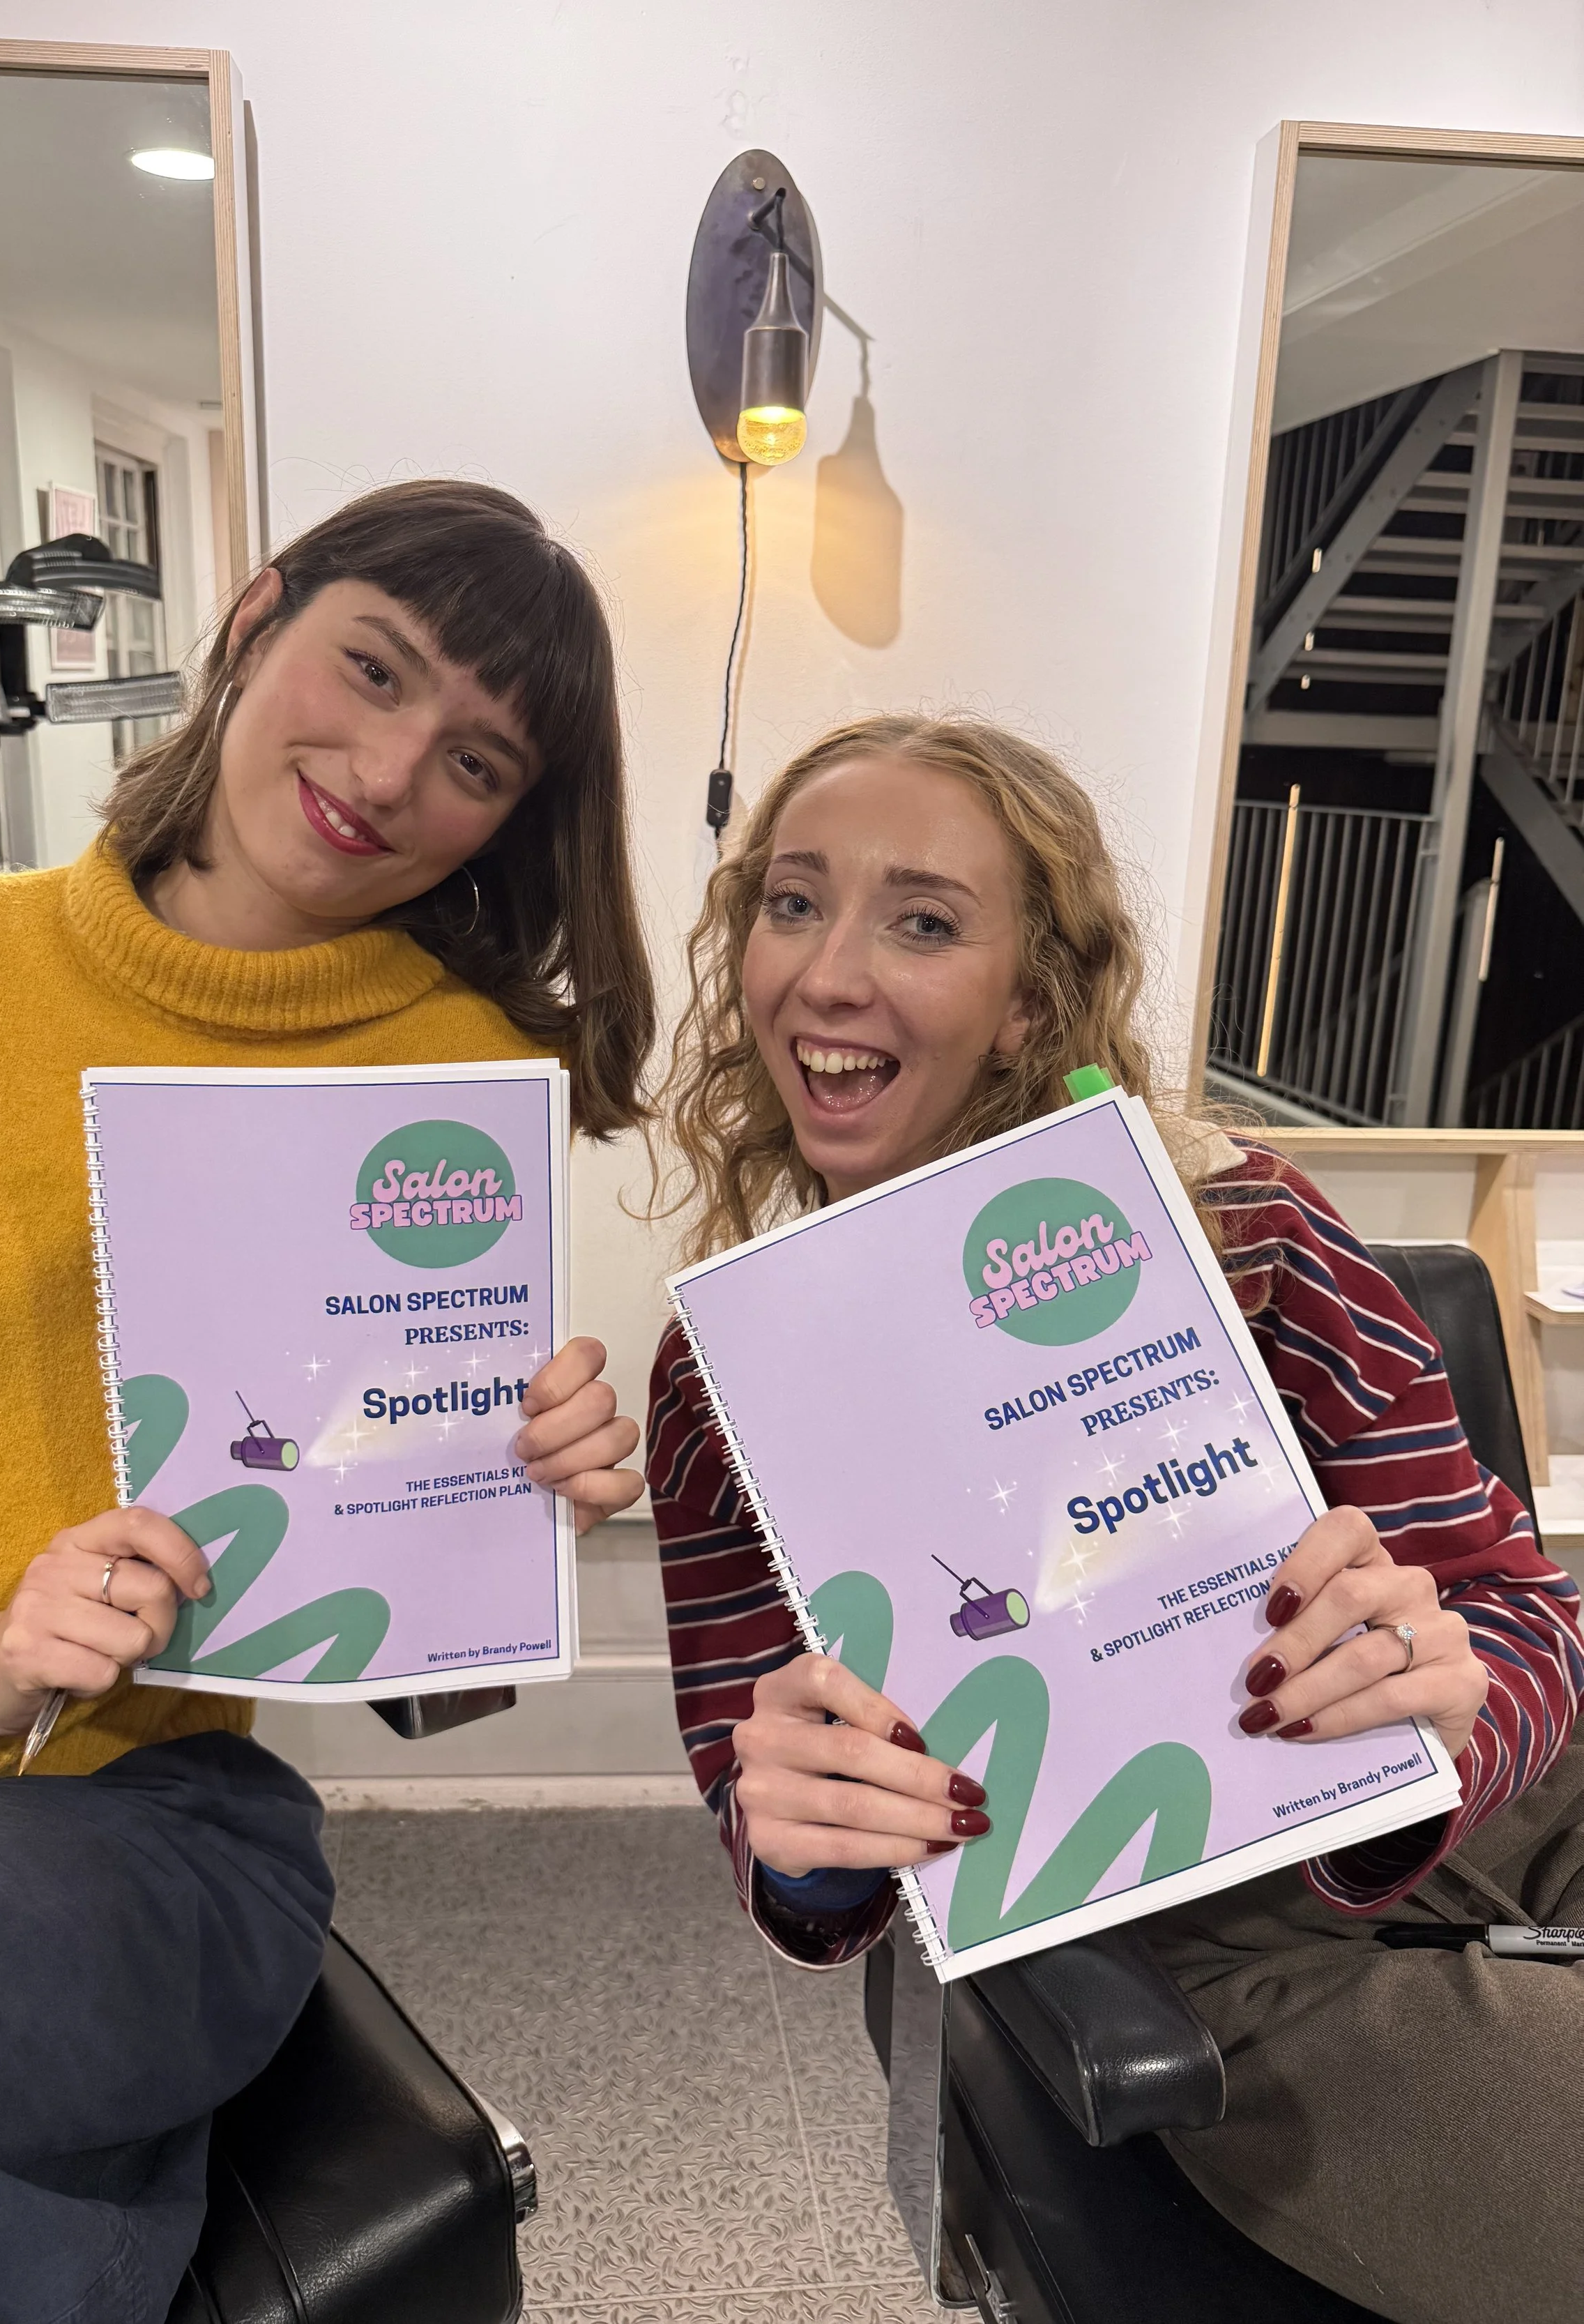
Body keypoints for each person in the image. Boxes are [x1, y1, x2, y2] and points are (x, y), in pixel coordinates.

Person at [644, 711, 1584, 2324]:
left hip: (1502, 1805)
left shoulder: (1245, 1234)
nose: (826, 973)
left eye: (919, 921)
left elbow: (1511, 1601)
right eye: (789, 903)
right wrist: (801, 1842)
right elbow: (777, 1823)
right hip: (1216, 1945)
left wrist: (1446, 1695)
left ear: (1025, 1001)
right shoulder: (728, 1380)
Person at [0, 480, 654, 2321]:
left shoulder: (457, 1074)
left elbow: (427, 1683)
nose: (388, 769)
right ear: (255, 615)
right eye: (370, 667)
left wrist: (499, 1514)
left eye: (476, 762)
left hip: (137, 1822)